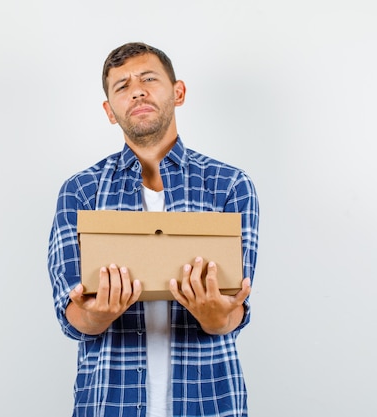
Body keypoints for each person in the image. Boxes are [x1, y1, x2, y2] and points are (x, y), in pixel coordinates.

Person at [47, 42, 259, 417]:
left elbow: (235, 309)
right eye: (122, 86)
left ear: (178, 92)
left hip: (210, 403)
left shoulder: (230, 185)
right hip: (109, 405)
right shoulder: (80, 191)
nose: (137, 90)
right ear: (110, 111)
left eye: (148, 79)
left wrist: (216, 316)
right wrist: (98, 314)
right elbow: (72, 316)